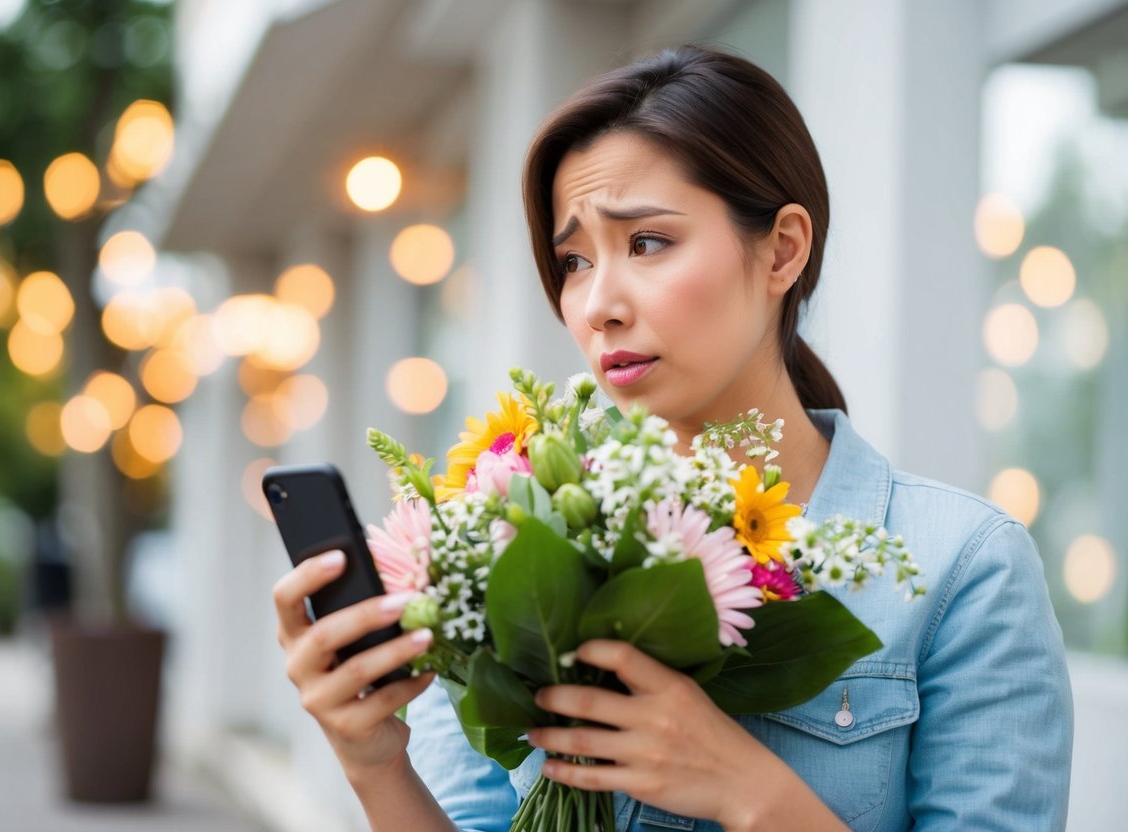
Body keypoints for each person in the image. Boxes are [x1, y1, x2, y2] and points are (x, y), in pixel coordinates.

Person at [272, 45, 1073, 831]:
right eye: (574, 261)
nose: (597, 305)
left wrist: (748, 792)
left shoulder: (962, 569)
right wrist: (373, 764)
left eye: (646, 242)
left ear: (782, 249)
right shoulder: (506, 546)